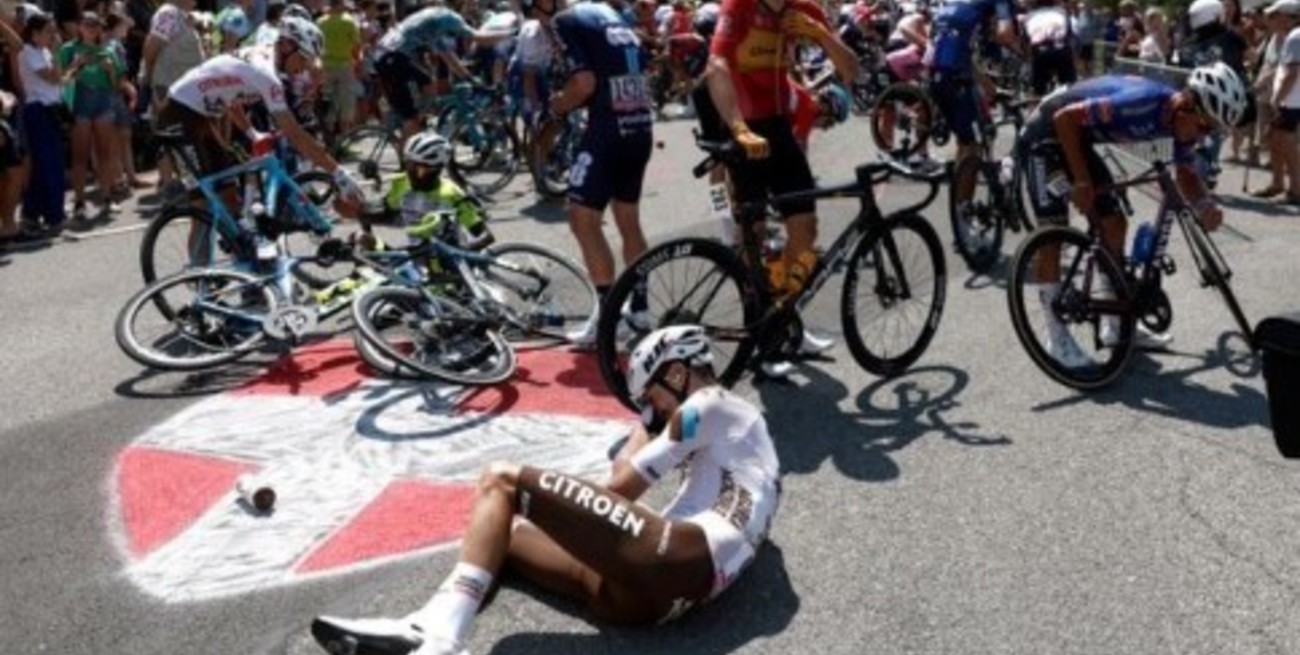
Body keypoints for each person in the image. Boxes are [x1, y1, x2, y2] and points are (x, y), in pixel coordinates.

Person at [310, 324, 782, 655]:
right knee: (507, 535)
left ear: (676, 374)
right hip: (655, 603)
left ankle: (437, 636)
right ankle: (437, 620)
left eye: (651, 400)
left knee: (503, 480)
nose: (654, 414)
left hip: (673, 558)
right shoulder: (756, 457)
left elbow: (619, 491)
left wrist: (641, 429)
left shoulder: (708, 404)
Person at [1019, 63, 1247, 365]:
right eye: (1205, 126)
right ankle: (1057, 339)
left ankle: (1117, 324)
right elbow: (1064, 118)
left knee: (1114, 224)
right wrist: (1083, 181)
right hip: (1044, 134)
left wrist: (1205, 205)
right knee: (1052, 238)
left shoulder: (1183, 121)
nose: (1203, 135)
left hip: (1077, 138)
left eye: (1212, 131)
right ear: (1187, 105)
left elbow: (1187, 174)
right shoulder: (1143, 101)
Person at [701, 0, 858, 372]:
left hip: (778, 128)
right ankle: (761, 339)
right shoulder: (739, 7)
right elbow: (716, 65)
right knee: (750, 239)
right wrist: (737, 127)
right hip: (736, 118)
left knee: (805, 228)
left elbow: (851, 70)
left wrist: (821, 36)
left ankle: (783, 318)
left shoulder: (803, 9)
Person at [521, 0, 656, 347]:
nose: (539, 25)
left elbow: (583, 83)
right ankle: (639, 309)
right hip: (638, 123)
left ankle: (609, 318)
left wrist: (553, 107)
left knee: (582, 219)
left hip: (608, 128)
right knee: (628, 219)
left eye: (534, 14)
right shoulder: (607, 13)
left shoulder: (564, 21)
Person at [157, 17, 362, 210]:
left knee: (229, 193)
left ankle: (239, 245)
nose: (305, 68)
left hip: (201, 115)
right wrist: (337, 172)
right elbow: (295, 134)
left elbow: (232, 99)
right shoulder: (266, 74)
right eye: (304, 58)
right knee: (202, 205)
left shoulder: (267, 59)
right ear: (286, 46)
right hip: (178, 113)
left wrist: (252, 134)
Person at [373, 4, 508, 145]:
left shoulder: (433, 18)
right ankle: (408, 158)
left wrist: (467, 77)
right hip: (393, 57)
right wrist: (512, 32)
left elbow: (448, 57)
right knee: (412, 117)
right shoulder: (449, 17)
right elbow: (481, 38)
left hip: (387, 55)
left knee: (428, 84)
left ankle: (415, 118)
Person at [60, 11, 127, 222]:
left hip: (103, 101)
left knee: (104, 153)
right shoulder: (68, 49)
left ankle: (107, 198)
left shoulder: (108, 50)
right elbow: (62, 80)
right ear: (79, 26)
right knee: (79, 156)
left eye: (96, 24)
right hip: (80, 101)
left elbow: (116, 86)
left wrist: (110, 71)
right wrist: (76, 65)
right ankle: (79, 201)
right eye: (88, 24)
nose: (92, 28)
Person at [141, 0, 206, 198]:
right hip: (170, 90)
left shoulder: (184, 16)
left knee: (183, 141)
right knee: (171, 139)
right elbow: (151, 48)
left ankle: (186, 188)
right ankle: (171, 189)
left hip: (186, 92)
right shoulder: (168, 13)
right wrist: (151, 80)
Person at [16, 13, 65, 237]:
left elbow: (60, 77)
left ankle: (32, 214)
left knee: (46, 163)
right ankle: (54, 216)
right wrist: (56, 55)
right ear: (35, 33)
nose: (53, 35)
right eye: (48, 31)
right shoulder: (28, 52)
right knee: (49, 163)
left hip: (50, 109)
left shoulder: (44, 52)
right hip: (38, 110)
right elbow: (52, 77)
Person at [1258, 0, 1300, 203]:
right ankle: (1277, 183)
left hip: (1290, 101)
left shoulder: (1295, 37)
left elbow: (1292, 73)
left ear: (1286, 16)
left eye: (1275, 15)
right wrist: (1267, 79)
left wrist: (1277, 98)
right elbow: (1286, 67)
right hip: (1289, 100)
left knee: (1286, 145)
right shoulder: (1290, 37)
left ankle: (1296, 189)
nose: (1270, 19)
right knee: (1276, 141)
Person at [317, 0, 362, 138]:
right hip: (344, 66)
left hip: (325, 67)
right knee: (346, 104)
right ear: (340, 4)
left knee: (329, 103)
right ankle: (345, 140)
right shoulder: (349, 22)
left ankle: (329, 140)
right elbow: (356, 46)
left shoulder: (320, 22)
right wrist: (358, 64)